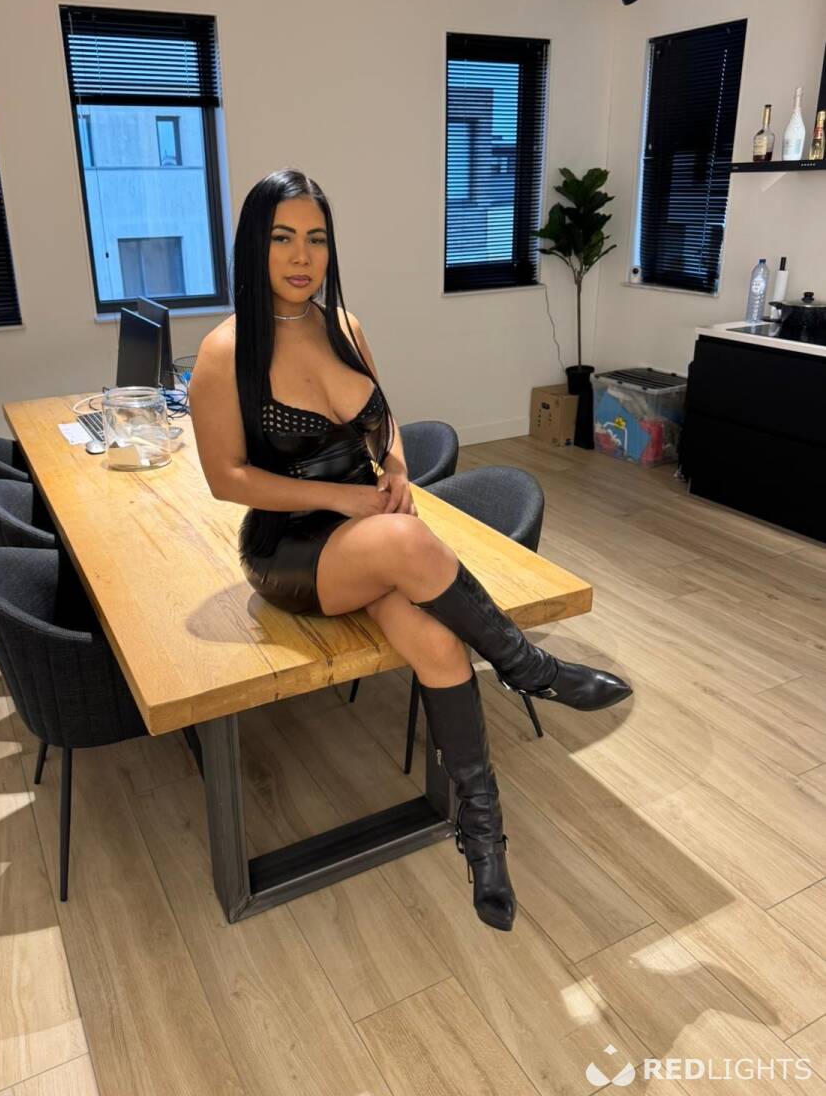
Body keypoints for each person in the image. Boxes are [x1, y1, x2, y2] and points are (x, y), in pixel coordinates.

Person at [190, 169, 632, 933]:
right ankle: (532, 669)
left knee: (437, 642)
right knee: (404, 539)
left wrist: (393, 467)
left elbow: (382, 421)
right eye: (283, 238)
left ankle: (483, 838)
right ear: (254, 245)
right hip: (289, 547)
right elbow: (226, 479)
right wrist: (349, 501)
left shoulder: (345, 326)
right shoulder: (224, 350)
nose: (302, 256)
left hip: (369, 532)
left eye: (316, 239)